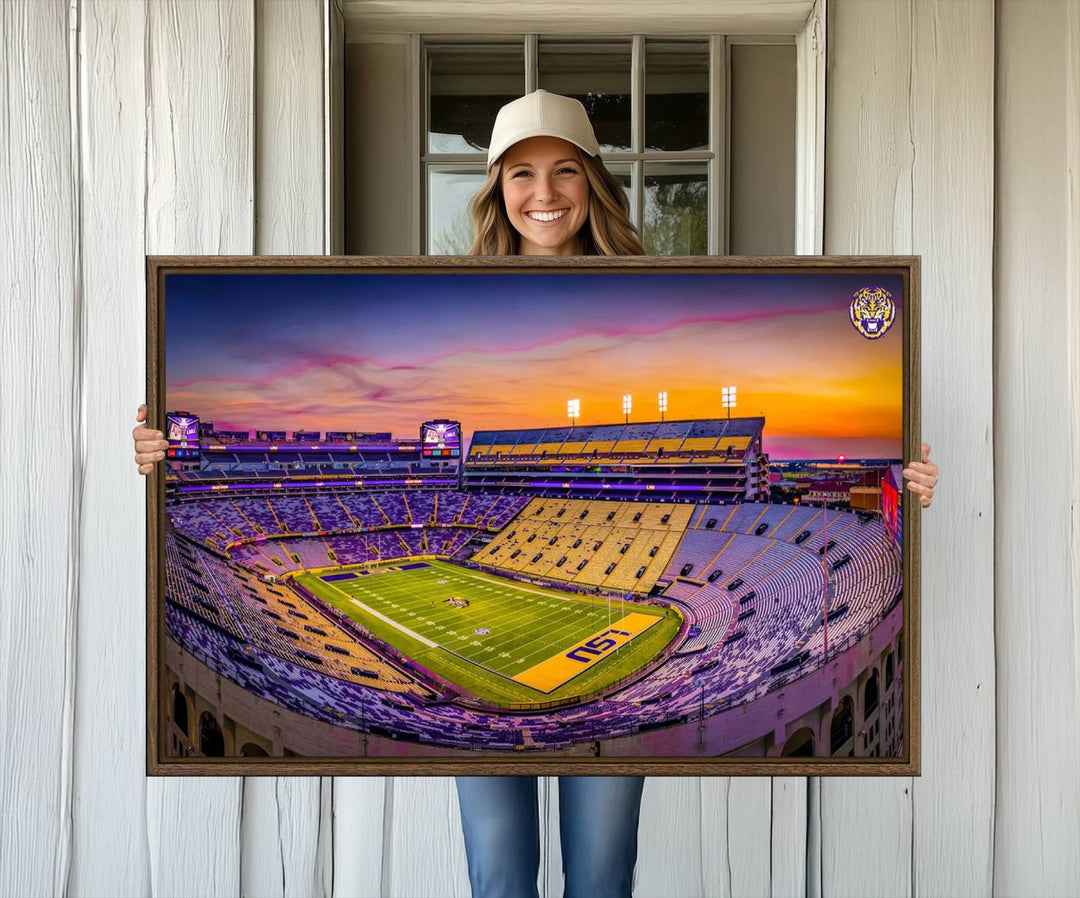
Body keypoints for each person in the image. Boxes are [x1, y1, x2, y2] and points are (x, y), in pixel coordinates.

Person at [131, 89, 941, 898]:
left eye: (563, 171)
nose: (544, 193)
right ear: (496, 189)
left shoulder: (653, 295)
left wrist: (900, 477)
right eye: (521, 173)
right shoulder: (453, 298)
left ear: (593, 181)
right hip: (533, 522)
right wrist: (160, 448)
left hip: (643, 527)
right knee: (499, 872)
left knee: (600, 872)